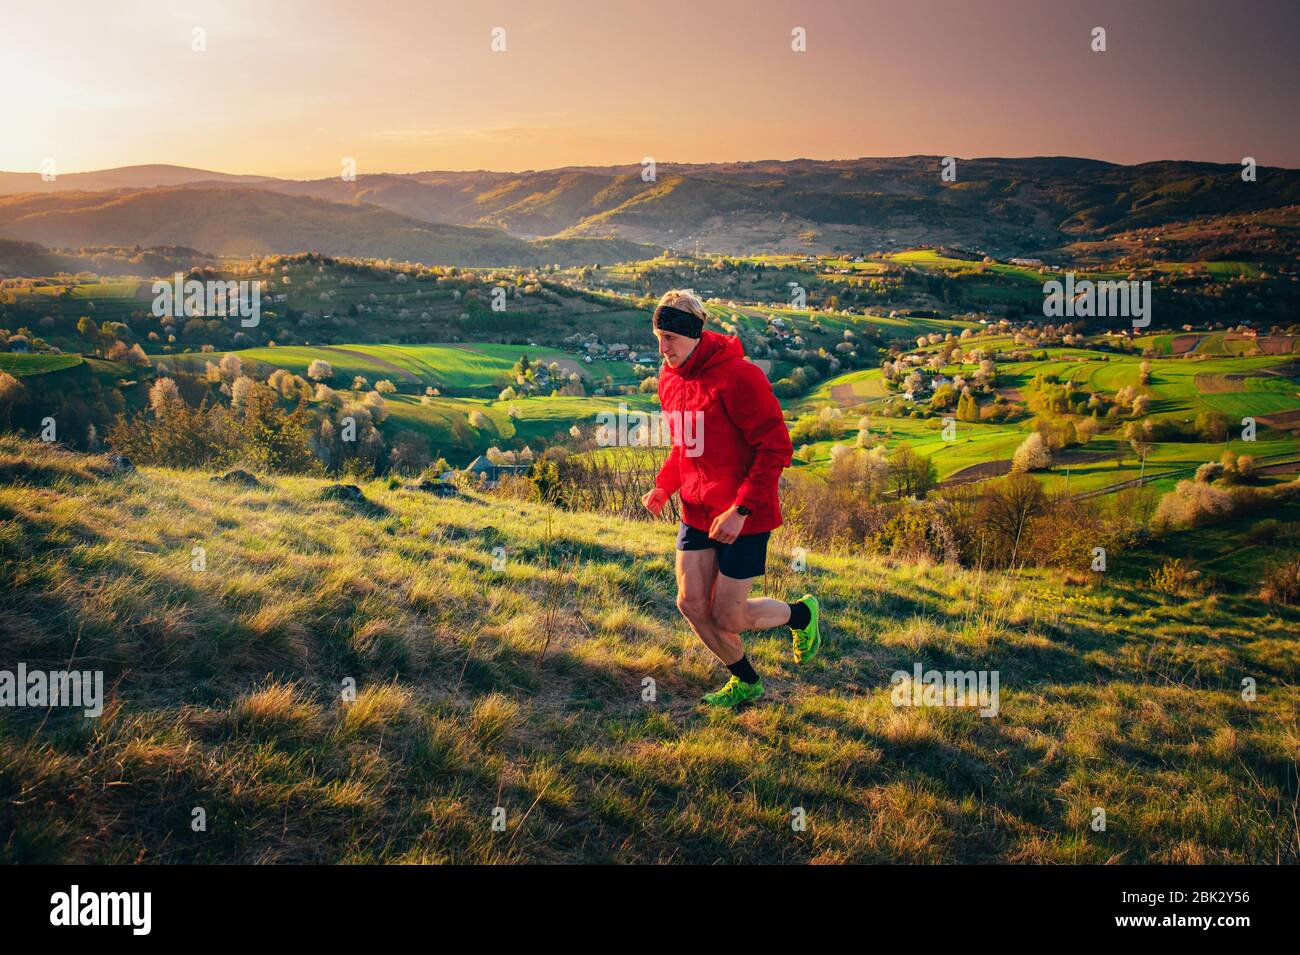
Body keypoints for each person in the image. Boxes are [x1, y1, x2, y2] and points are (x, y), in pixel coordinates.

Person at [641, 289, 823, 709]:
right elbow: (683, 447)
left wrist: (740, 510)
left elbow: (776, 448)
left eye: (670, 337)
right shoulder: (669, 380)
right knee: (688, 602)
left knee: (728, 616)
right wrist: (665, 485)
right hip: (696, 510)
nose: (663, 348)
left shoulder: (739, 377)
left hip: (745, 516)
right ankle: (746, 682)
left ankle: (801, 614)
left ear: (695, 335)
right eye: (658, 337)